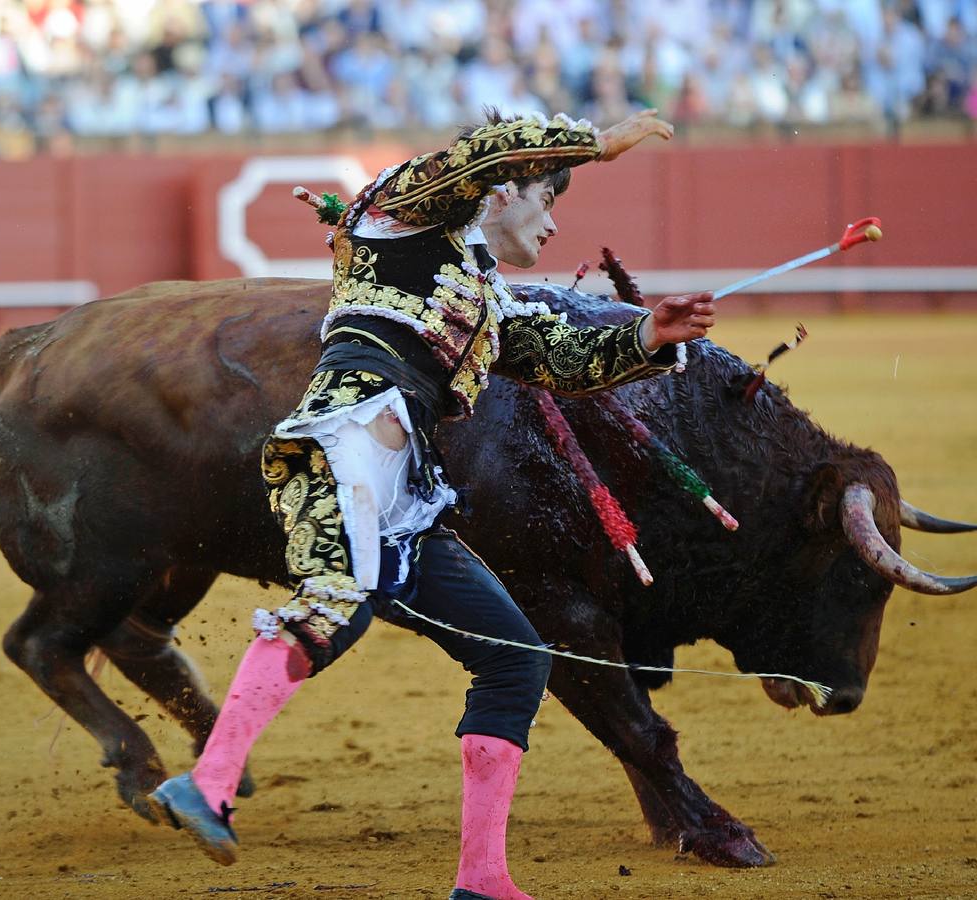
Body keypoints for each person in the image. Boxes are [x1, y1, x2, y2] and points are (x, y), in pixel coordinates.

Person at [148, 108, 716, 900]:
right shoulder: (400, 213)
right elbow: (474, 155)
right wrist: (595, 145)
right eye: (547, 200)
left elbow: (556, 358)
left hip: (404, 489)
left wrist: (650, 335)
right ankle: (205, 785)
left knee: (515, 658)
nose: (552, 226)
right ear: (505, 187)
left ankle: (483, 880)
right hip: (344, 444)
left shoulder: (479, 293)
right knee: (334, 601)